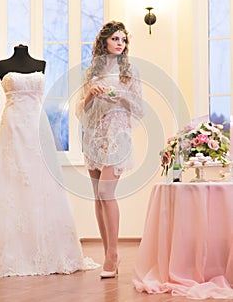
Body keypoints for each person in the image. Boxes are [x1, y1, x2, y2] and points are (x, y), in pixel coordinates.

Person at [0, 45, 98, 276]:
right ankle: (15, 251)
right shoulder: (2, 65)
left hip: (37, 124)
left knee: (43, 182)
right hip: (12, 126)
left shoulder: (41, 64)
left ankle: (51, 249)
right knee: (11, 181)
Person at [75, 21, 144, 278]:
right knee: (97, 196)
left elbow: (140, 108)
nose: (120, 43)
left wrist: (121, 97)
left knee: (106, 192)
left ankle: (113, 255)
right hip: (94, 136)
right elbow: (81, 111)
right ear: (104, 40)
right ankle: (107, 254)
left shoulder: (130, 71)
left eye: (123, 40)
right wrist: (91, 94)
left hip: (117, 135)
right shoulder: (91, 72)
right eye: (115, 38)